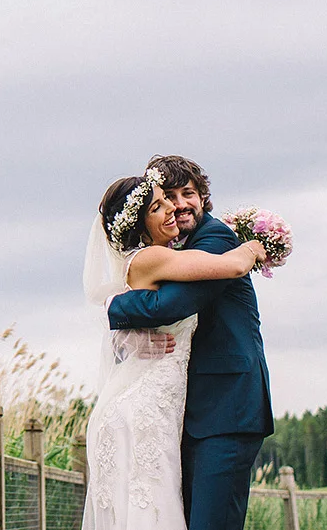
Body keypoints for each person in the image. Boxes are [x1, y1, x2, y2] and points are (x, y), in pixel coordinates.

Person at [82, 166, 267, 530]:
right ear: (139, 222)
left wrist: (119, 317)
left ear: (203, 196)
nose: (173, 206)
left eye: (184, 195)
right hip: (154, 412)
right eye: (162, 201)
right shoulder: (158, 257)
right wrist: (251, 247)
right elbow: (173, 304)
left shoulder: (210, 236)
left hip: (213, 409)